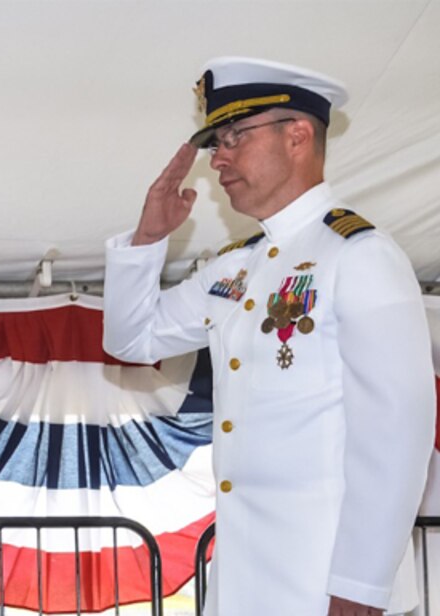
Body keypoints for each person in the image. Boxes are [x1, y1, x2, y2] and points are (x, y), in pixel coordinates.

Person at [102, 57, 435, 616]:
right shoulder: (236, 268)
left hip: (326, 586)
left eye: (235, 136)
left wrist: (362, 585)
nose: (218, 159)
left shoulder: (359, 255)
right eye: (215, 143)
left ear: (299, 135)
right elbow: (133, 340)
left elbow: (397, 433)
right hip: (242, 585)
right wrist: (146, 240)